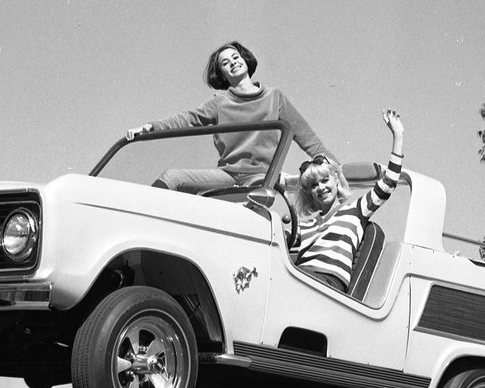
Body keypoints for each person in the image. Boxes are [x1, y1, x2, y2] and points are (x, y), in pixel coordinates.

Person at [126, 40, 336, 193]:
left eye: (235, 57)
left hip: (263, 176)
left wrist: (335, 167)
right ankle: (144, 214)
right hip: (228, 175)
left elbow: (307, 138)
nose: (233, 63)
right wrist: (150, 127)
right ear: (222, 74)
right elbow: (187, 119)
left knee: (286, 196)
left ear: (245, 60)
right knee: (172, 177)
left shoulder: (275, 97)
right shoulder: (220, 102)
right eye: (225, 63)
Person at [289, 109, 404, 292]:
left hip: (328, 286)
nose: (321, 187)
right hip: (301, 279)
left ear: (336, 179)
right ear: (309, 192)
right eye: (314, 185)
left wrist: (398, 136)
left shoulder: (356, 211)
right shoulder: (303, 226)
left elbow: (388, 183)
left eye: (325, 180)